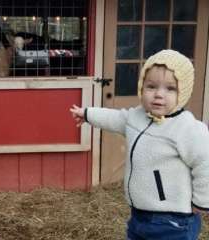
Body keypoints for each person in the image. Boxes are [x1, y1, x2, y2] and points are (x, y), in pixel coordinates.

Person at [70, 49, 209, 240]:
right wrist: (87, 114)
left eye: (170, 89)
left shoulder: (188, 128)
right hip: (139, 215)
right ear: (141, 87)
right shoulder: (137, 116)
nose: (159, 95)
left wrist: (202, 202)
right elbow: (115, 118)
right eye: (151, 86)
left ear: (183, 93)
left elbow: (205, 164)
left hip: (173, 221)